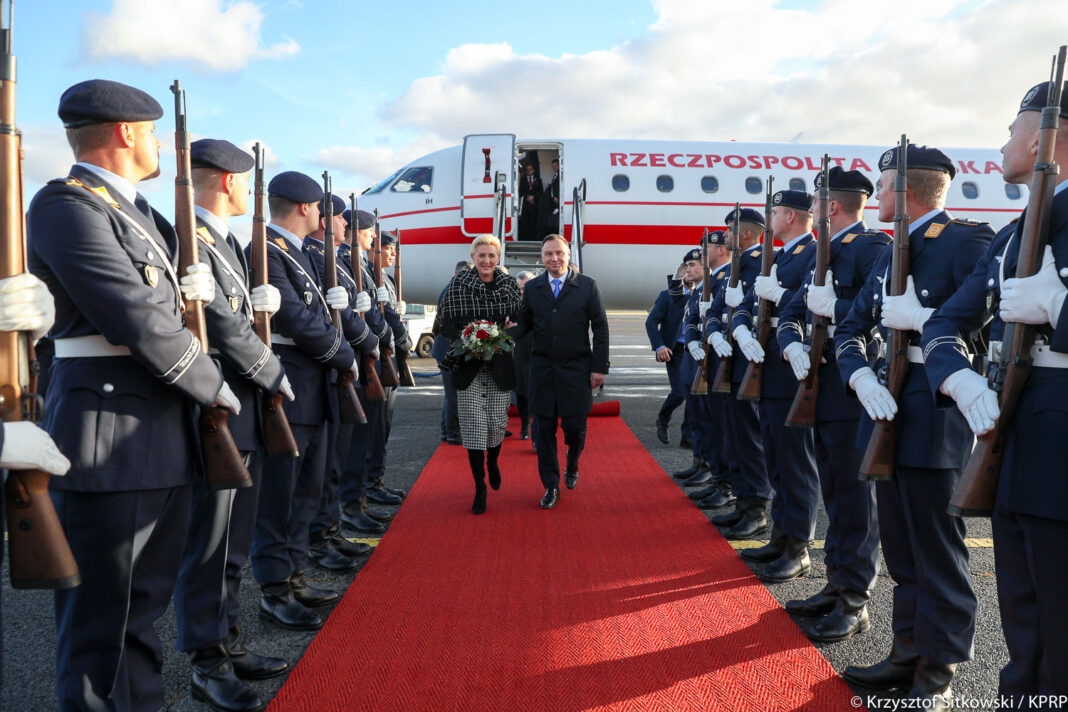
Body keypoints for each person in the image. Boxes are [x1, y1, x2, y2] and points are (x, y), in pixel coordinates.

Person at [28, 79, 235, 712]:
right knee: (101, 631)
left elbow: (166, 311)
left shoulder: (142, 215)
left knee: (141, 613)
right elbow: (136, 318)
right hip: (108, 439)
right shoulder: (67, 206)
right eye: (151, 135)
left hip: (161, 434)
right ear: (126, 132)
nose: (158, 149)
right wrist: (216, 388)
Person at [922, 80, 1068, 708]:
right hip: (1013, 434)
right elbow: (944, 322)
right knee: (1026, 621)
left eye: (1012, 131)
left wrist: (1061, 305)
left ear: (1043, 137)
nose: (1004, 143)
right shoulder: (1014, 235)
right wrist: (958, 377)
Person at [834, 143, 991, 708]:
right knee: (901, 547)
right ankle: (907, 650)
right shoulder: (886, 252)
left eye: (882, 186)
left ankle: (940, 667)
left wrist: (924, 321)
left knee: (938, 550)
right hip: (884, 406)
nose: (875, 196)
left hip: (933, 408)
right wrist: (861, 381)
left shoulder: (964, 240)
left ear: (908, 191)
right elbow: (851, 329)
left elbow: (986, 325)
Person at [173, 139, 293, 712]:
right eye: (246, 180)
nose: (250, 191)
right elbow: (218, 321)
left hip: (241, 404)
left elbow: (235, 311)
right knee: (210, 542)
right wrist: (271, 370)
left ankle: (229, 637)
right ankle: (206, 657)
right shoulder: (188, 236)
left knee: (234, 540)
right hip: (218, 404)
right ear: (226, 180)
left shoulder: (224, 243)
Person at [776, 166, 887, 643]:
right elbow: (794, 311)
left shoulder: (872, 248)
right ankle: (837, 581)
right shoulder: (826, 252)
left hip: (851, 388)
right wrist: (792, 342)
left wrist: (835, 309)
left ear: (832, 206)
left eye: (816, 201)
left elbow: (877, 314)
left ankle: (855, 599)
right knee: (835, 494)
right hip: (818, 387)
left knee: (855, 499)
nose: (810, 208)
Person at [249, 170, 357, 632]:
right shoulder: (268, 251)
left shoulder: (296, 253)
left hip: (315, 388)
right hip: (292, 387)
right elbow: (296, 318)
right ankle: (275, 587)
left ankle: (293, 574)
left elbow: (316, 312)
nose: (323, 215)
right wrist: (346, 353)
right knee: (281, 496)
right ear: (305, 208)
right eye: (318, 208)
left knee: (306, 490)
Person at [731, 189, 821, 582]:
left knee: (796, 463)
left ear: (793, 216)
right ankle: (782, 536)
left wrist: (780, 295)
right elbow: (755, 306)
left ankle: (798, 547)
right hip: (767, 368)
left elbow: (810, 307)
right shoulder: (782, 255)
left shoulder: (815, 252)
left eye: (776, 211)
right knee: (777, 460)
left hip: (790, 368)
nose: (771, 216)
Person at [302, 194, 379, 573]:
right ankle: (324, 533)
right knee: (329, 460)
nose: (345, 225)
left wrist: (375, 334)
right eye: (337, 217)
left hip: (344, 361)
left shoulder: (335, 259)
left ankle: (331, 529)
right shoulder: (314, 255)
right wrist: (366, 340)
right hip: (333, 362)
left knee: (338, 453)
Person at [510, 234, 609, 509]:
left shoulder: (587, 286)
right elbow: (525, 324)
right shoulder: (533, 288)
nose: (554, 258)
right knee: (542, 431)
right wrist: (499, 335)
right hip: (541, 369)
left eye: (559, 253)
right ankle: (551, 485)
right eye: (548, 254)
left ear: (568, 255)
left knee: (575, 428)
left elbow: (600, 327)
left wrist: (599, 368)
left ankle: (573, 462)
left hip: (576, 368)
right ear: (541, 258)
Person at [438, 235, 523, 514]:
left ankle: (493, 461)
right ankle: (479, 487)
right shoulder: (459, 284)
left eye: (492, 256)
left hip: (498, 362)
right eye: (482, 255)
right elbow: (444, 322)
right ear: (473, 257)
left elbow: (521, 322)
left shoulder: (510, 285)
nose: (487, 261)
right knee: (473, 427)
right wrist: (468, 340)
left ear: (498, 258)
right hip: (468, 363)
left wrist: (501, 336)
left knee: (497, 424)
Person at [704, 208, 772, 539]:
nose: (725, 234)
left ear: (744, 234)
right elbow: (718, 307)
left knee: (749, 436)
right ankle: (744, 503)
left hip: (747, 356)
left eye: (729, 229)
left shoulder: (758, 261)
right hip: (729, 355)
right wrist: (714, 329)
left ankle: (756, 507)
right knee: (735, 434)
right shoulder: (737, 264)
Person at [645, 261, 691, 446]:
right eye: (685, 270)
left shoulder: (704, 295)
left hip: (698, 351)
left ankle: (687, 437)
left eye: (693, 268)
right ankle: (663, 419)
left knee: (695, 395)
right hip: (675, 350)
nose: (689, 274)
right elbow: (651, 322)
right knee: (680, 392)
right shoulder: (667, 296)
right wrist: (659, 346)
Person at [433, 260, 471, 444]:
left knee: (451, 394)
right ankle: (453, 434)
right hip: (448, 348)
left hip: (447, 347)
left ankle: (445, 431)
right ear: (457, 274)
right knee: (454, 394)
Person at [513, 271, 536, 441]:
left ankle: (537, 429)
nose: (523, 293)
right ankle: (524, 423)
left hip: (538, 351)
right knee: (521, 392)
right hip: (521, 351)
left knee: (537, 391)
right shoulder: (512, 302)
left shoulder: (540, 300)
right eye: (521, 290)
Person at [518, 163, 543, 241]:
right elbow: (520, 192)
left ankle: (534, 239)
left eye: (530, 169)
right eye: (527, 169)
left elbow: (541, 192)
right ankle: (525, 239)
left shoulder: (538, 179)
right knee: (525, 223)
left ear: (534, 170)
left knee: (534, 223)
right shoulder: (523, 179)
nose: (529, 171)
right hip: (525, 206)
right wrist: (527, 197)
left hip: (535, 206)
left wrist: (534, 198)